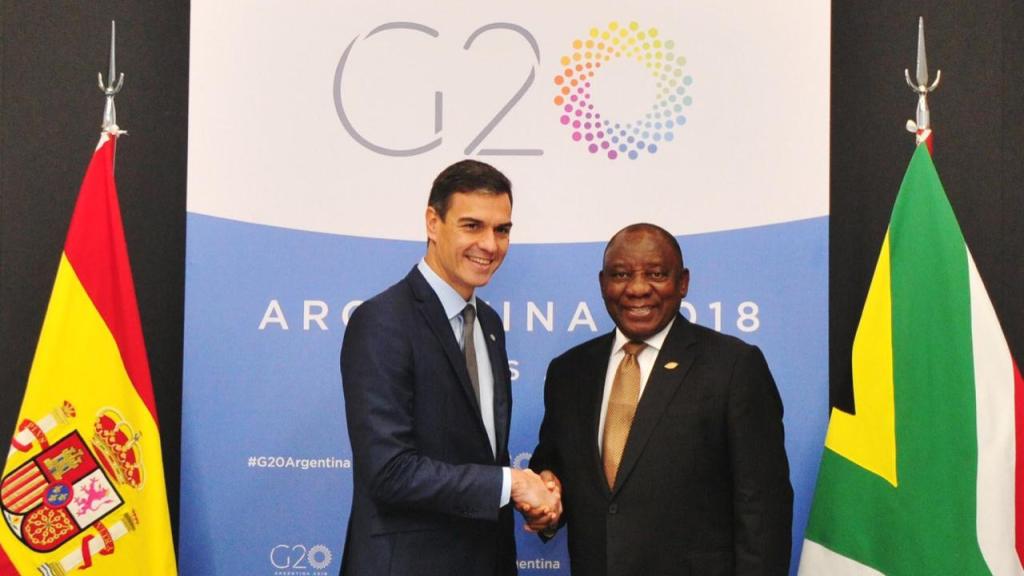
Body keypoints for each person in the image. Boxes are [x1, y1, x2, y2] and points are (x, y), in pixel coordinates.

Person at [529, 223, 793, 576]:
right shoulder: (569, 372)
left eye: (656, 274)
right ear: (602, 283)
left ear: (682, 282)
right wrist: (547, 497)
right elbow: (554, 467)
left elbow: (763, 511)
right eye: (621, 274)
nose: (637, 288)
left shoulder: (733, 367)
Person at [340, 160, 559, 576]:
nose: (490, 245)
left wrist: (536, 496)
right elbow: (389, 472)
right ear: (432, 222)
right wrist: (512, 484)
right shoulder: (383, 321)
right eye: (472, 226)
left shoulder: (489, 324)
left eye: (502, 229)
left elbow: (477, 450)